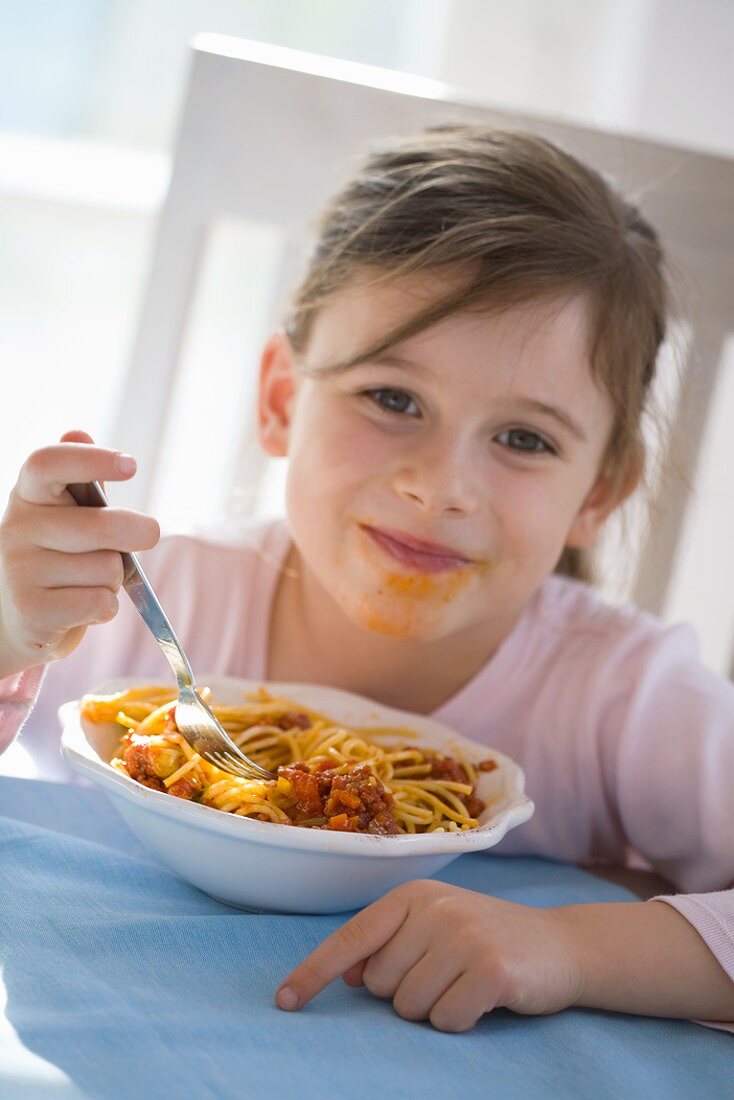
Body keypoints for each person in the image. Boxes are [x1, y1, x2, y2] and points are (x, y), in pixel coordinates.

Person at [1, 127, 732, 1034]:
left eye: (524, 439)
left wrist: (574, 950)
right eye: (394, 400)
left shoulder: (628, 698)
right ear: (280, 401)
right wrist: (7, 635)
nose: (440, 487)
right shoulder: (143, 599)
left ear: (601, 493)